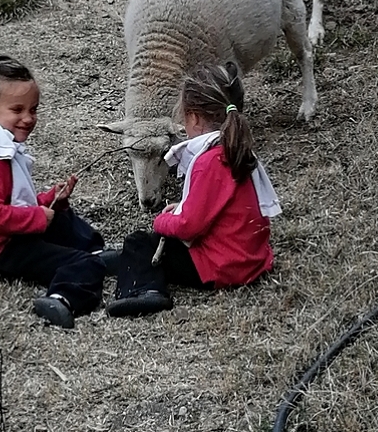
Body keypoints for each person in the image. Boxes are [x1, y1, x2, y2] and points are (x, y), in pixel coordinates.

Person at [0, 54, 116, 329]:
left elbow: (14, 202)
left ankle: (97, 252)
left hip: (1, 236)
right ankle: (62, 298)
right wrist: (39, 218)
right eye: (17, 110)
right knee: (78, 263)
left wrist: (50, 200)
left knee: (61, 216)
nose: (28, 118)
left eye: (34, 110)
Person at [106, 62, 281, 318]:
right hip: (252, 260)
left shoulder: (207, 160)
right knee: (150, 244)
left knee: (140, 241)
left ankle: (144, 290)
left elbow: (189, 227)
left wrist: (163, 221)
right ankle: (123, 260)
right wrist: (182, 207)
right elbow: (221, 203)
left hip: (221, 267)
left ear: (195, 118)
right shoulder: (237, 150)